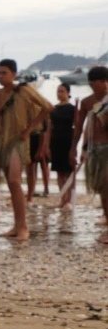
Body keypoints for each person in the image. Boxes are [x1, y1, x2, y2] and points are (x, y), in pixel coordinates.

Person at [0, 59, 53, 240]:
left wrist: (29, 129)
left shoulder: (24, 90)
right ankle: (17, 225)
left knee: (14, 181)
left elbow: (47, 107)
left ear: (14, 74)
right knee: (12, 184)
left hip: (19, 141)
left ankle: (23, 228)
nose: (0, 76)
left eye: (4, 73)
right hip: (1, 142)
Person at [72, 66, 108, 241]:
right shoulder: (87, 103)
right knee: (102, 189)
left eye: (106, 81)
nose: (104, 85)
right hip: (96, 149)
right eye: (100, 82)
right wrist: (75, 149)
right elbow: (79, 129)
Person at [48, 84, 77, 210]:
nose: (59, 94)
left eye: (62, 91)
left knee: (69, 171)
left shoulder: (72, 108)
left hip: (68, 140)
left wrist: (75, 145)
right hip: (56, 140)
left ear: (68, 92)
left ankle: (69, 199)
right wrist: (47, 145)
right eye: (58, 91)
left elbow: (77, 125)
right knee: (59, 171)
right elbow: (49, 127)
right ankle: (62, 198)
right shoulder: (54, 108)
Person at [26, 118, 51, 203]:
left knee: (44, 165)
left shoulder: (44, 114)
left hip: (40, 139)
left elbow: (45, 131)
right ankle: (31, 191)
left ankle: (46, 188)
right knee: (31, 167)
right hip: (30, 138)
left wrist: (43, 147)